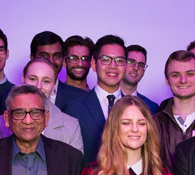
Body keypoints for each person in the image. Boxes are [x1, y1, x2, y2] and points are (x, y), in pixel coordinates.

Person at [67, 35, 127, 164]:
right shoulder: (73, 109)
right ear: (94, 64)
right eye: (106, 59)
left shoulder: (135, 109)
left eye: (119, 60)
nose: (113, 66)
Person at [55, 34, 93, 110]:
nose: (80, 64)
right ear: (64, 62)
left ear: (91, 63)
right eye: (73, 58)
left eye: (84, 58)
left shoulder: (96, 99)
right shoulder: (54, 97)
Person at [122, 45, 160, 112]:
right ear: (122, 63)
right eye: (131, 62)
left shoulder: (152, 107)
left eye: (141, 65)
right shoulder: (108, 100)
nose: (136, 68)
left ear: (144, 72)